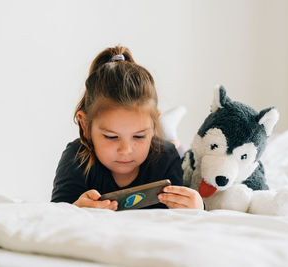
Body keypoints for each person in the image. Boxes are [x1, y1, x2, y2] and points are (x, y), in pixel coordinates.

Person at [51, 46, 203, 210]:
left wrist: (199, 207)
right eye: (111, 136)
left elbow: (185, 214)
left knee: (178, 150)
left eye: (139, 136)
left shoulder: (166, 156)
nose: (126, 150)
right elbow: (56, 215)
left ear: (153, 126)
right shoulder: (76, 157)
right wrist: (75, 209)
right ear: (85, 125)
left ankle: (168, 130)